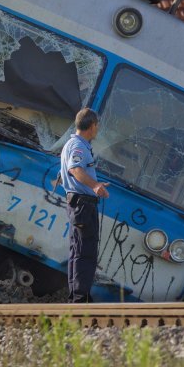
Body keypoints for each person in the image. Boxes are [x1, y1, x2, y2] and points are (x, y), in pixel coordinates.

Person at [61, 107, 110, 303]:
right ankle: (81, 298)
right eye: (97, 126)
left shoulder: (74, 144)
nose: (97, 129)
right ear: (92, 126)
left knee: (78, 250)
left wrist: (94, 184)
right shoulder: (78, 146)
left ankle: (77, 296)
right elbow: (75, 169)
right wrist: (95, 185)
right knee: (85, 251)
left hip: (79, 202)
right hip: (83, 204)